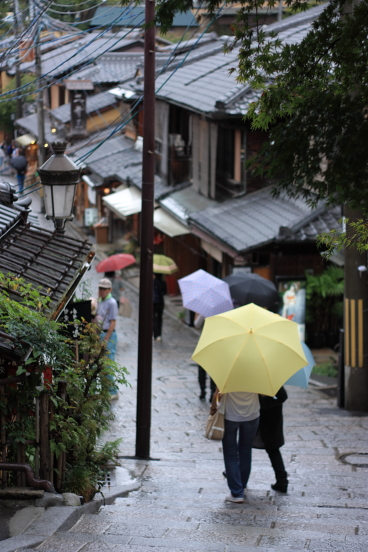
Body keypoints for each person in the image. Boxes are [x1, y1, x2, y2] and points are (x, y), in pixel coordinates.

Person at [211, 388, 260, 503]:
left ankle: (237, 493)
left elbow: (218, 394)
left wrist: (213, 408)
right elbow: (263, 394)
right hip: (252, 415)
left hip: (230, 415)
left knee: (230, 455)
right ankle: (241, 485)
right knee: (246, 451)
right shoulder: (257, 372)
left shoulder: (228, 372)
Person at [253, 386, 288, 493]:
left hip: (267, 416)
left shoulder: (269, 381)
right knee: (272, 449)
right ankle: (282, 480)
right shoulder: (272, 380)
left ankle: (282, 481)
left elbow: (283, 396)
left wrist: (264, 400)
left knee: (272, 448)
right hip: (268, 415)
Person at [96, 278, 118, 399]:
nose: (102, 291)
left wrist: (106, 339)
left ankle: (113, 391)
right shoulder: (99, 301)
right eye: (100, 288)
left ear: (109, 289)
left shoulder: (112, 302)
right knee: (100, 364)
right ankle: (105, 390)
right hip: (100, 333)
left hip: (108, 334)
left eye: (104, 289)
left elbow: (113, 322)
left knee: (108, 363)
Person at [194, 313, 216, 402]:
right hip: (216, 342)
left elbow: (197, 324)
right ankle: (212, 392)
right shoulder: (225, 310)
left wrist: (197, 314)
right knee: (214, 368)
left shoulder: (205, 311)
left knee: (202, 367)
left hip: (204, 342)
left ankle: (203, 390)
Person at [153, 273, 166, 341]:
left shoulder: (152, 282)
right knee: (159, 318)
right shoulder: (163, 282)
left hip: (153, 302)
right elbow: (165, 292)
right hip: (160, 302)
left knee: (153, 318)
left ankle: (155, 334)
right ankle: (159, 334)